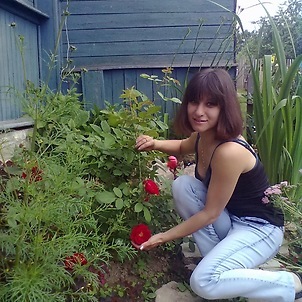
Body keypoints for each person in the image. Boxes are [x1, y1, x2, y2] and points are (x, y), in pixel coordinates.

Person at [134, 68, 302, 302]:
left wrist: (163, 236)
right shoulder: (204, 134)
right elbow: (183, 146)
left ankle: (288, 284)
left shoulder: (229, 151)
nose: (199, 112)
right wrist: (154, 143)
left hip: (260, 229)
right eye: (194, 101)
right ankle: (223, 270)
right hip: (231, 219)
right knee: (183, 185)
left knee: (203, 282)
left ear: (224, 108)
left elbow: (210, 214)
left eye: (210, 104)